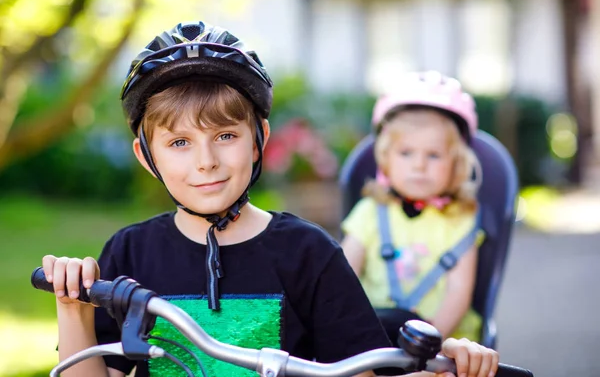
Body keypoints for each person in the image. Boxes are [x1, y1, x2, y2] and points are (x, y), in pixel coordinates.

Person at [41, 23, 498, 377]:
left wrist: (443, 364)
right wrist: (72, 307)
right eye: (179, 143)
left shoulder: (308, 253)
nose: (206, 162)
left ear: (259, 140)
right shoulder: (130, 253)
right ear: (146, 154)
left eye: (225, 135)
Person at [341, 71, 484, 345]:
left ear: (455, 163)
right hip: (375, 339)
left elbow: (459, 292)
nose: (419, 165)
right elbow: (342, 277)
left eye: (433, 155)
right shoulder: (370, 212)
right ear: (385, 158)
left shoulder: (460, 219)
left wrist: (427, 345)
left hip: (445, 344)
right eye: (406, 153)